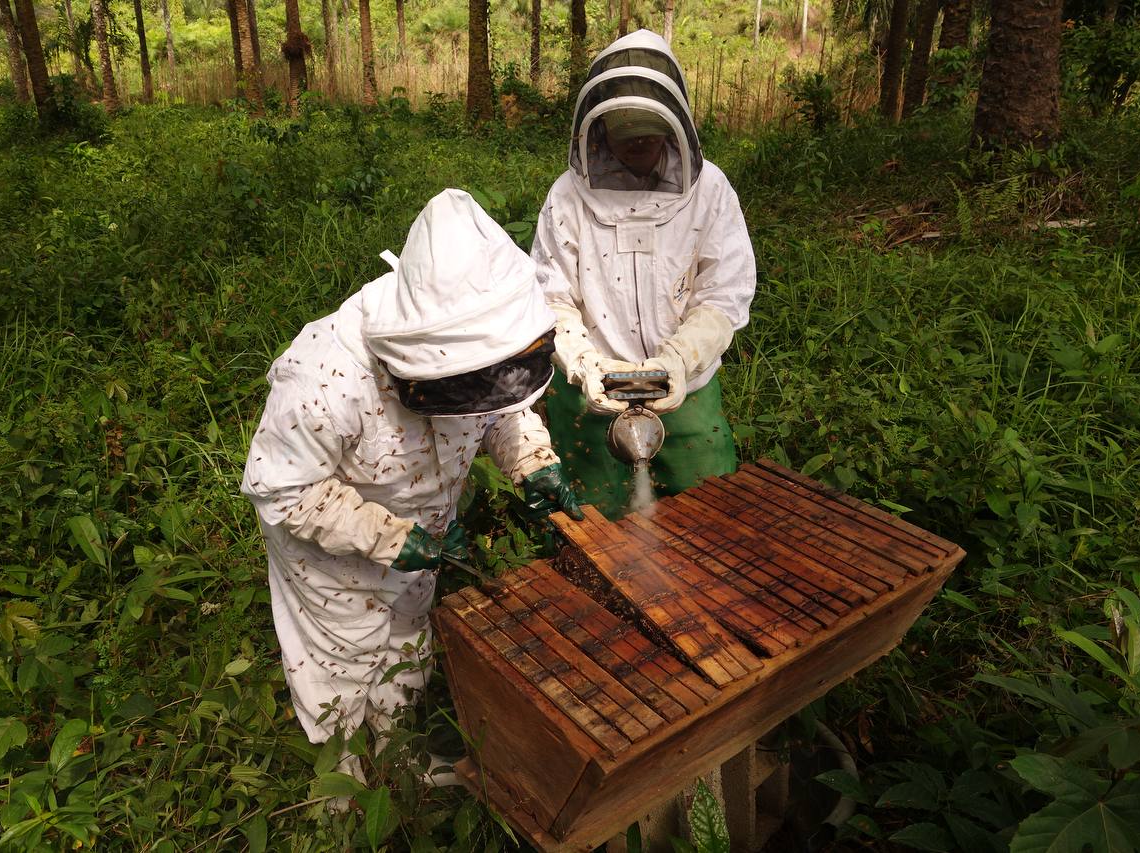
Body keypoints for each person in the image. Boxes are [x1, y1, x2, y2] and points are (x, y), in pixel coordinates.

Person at [240, 189, 582, 792]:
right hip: (329, 551)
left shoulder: (480, 346)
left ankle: (397, 760)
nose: (475, 387)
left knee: (406, 635)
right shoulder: (324, 374)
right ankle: (341, 793)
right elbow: (282, 490)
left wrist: (533, 461)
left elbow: (497, 404)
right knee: (341, 659)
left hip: (425, 525)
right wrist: (387, 536)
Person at [532, 29, 757, 518]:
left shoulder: (711, 190)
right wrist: (583, 361)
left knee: (710, 517)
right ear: (598, 130)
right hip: (590, 398)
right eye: (626, 133)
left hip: (687, 393)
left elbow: (724, 293)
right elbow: (550, 296)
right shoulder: (567, 197)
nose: (639, 145)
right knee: (591, 530)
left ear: (675, 124)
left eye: (650, 133)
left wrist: (680, 357)